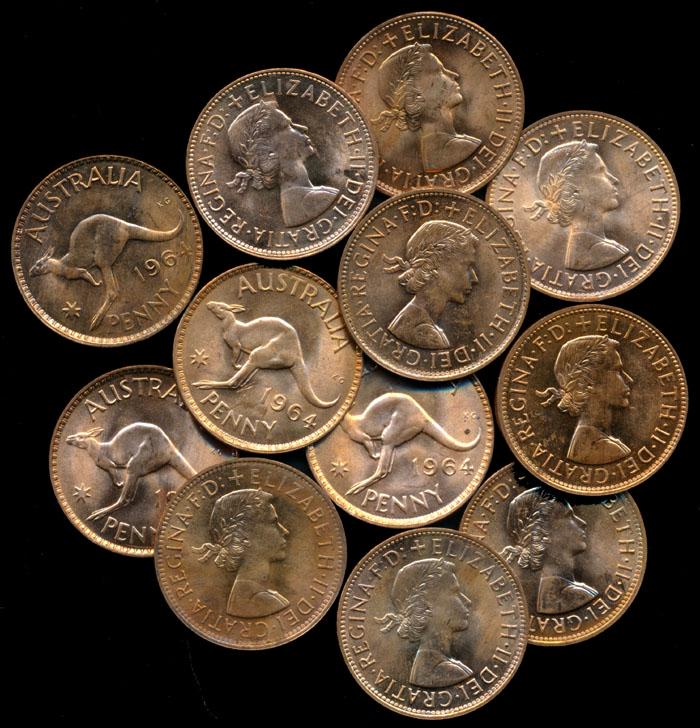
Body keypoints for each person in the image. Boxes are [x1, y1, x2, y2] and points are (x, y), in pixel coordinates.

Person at [227, 98, 339, 227]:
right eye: (288, 126)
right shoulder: (314, 200)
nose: (303, 128)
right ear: (267, 147)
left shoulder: (305, 198)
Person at [372, 42, 481, 173]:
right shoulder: (460, 148)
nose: (454, 75)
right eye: (439, 71)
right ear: (413, 96)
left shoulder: (447, 145)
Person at [524, 140, 627, 270]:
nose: (614, 180)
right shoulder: (601, 252)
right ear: (576, 189)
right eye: (601, 171)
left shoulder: (600, 248)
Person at [192, 489, 290, 618]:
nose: (285, 531)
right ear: (245, 536)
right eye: (273, 523)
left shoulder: (262, 595)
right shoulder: (258, 600)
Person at [537, 334, 633, 465]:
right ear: (589, 382)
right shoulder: (602, 448)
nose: (629, 379)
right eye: (617, 371)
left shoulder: (595, 440)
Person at [376, 558, 472, 688]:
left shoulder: (433, 665)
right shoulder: (446, 672)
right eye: (454, 593)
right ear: (426, 605)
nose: (467, 601)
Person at [383, 220, 478, 349]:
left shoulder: (418, 320)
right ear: (434, 266)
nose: (474, 278)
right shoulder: (423, 332)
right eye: (466, 266)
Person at [502, 487, 598, 614]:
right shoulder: (573, 596)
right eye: (569, 516)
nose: (583, 523)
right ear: (543, 532)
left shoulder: (556, 593)